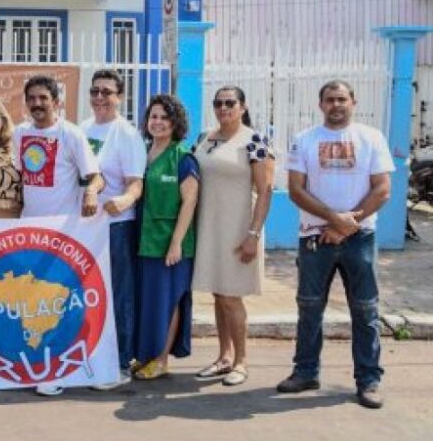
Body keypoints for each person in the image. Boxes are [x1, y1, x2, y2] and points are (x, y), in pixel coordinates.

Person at [276, 80, 393, 409]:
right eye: (330, 99)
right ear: (321, 104)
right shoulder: (305, 140)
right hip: (314, 237)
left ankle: (369, 380)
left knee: (366, 310)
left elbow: (382, 189)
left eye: (342, 99)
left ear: (353, 102)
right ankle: (306, 372)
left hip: (360, 238)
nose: (336, 105)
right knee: (310, 307)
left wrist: (346, 225)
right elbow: (296, 190)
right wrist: (332, 219)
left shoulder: (371, 138)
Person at [13, 75, 103, 396]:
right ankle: (49, 370)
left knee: (71, 304)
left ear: (56, 101)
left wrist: (91, 193)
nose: (37, 104)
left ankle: (89, 365)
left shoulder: (71, 134)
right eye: (32, 99)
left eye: (43, 98)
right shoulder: (19, 134)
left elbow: (95, 177)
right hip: (30, 234)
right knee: (39, 308)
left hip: (66, 234)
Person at [192, 86, 274, 387]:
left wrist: (253, 233)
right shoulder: (204, 138)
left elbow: (265, 190)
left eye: (230, 103)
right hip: (208, 227)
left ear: (242, 106)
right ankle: (224, 356)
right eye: (218, 103)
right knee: (217, 293)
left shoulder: (255, 140)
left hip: (238, 229)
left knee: (231, 296)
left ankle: (241, 361)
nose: (224, 108)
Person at [79, 69, 147, 390]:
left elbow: (136, 185)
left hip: (116, 228)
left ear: (120, 96)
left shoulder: (127, 134)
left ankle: (120, 362)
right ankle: (90, 355)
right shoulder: (83, 128)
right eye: (95, 91)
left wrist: (124, 200)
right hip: (84, 229)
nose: (100, 98)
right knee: (88, 296)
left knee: (118, 295)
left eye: (107, 92)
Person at [134, 95, 199, 381]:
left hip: (170, 244)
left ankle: (161, 359)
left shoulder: (182, 159)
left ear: (175, 124)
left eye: (164, 117)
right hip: (142, 240)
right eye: (153, 117)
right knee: (147, 300)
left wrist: (176, 242)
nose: (157, 122)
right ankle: (146, 355)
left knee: (168, 300)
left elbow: (189, 202)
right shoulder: (141, 153)